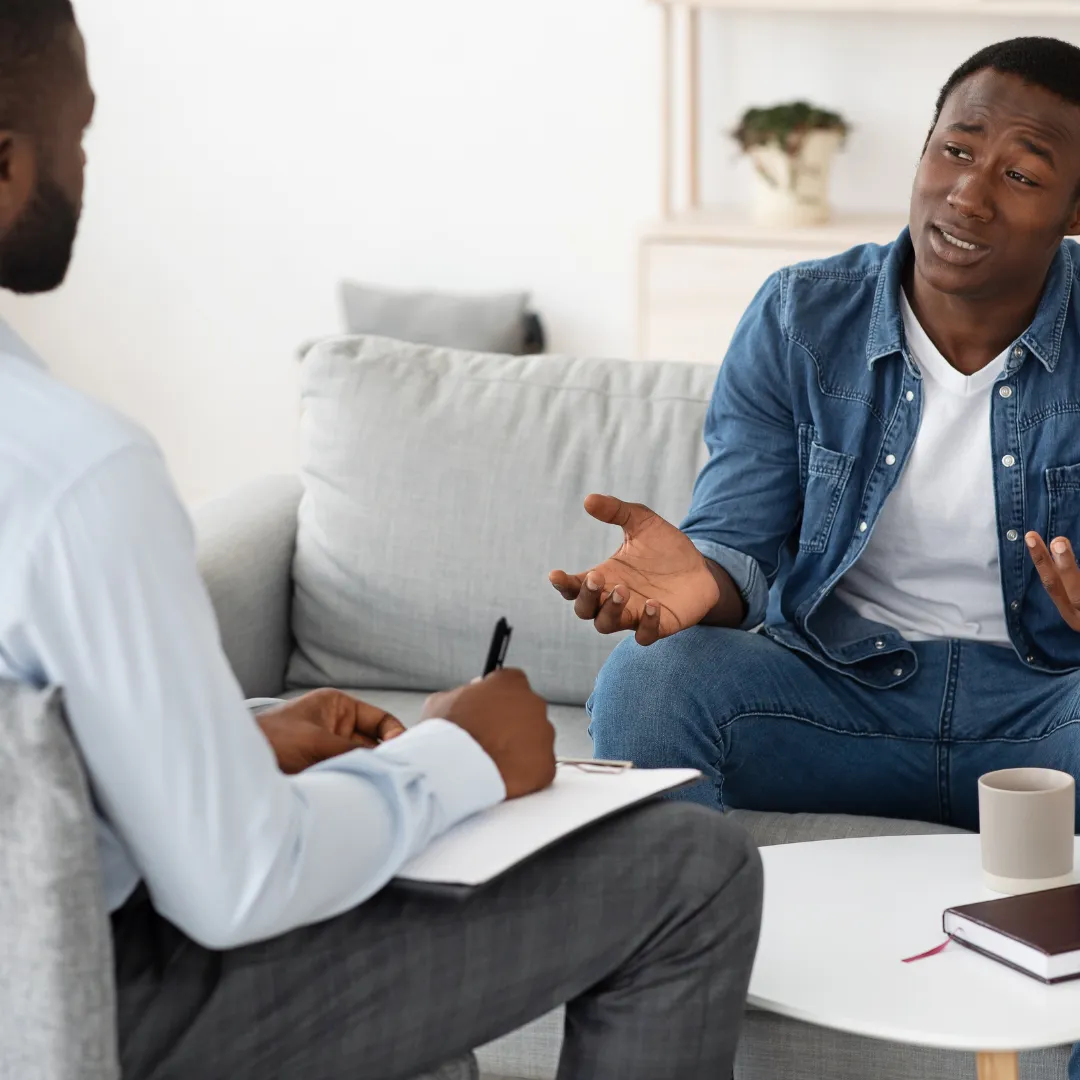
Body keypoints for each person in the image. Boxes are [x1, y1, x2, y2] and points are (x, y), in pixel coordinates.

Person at [0, 4, 763, 1078]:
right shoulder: (73, 474)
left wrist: (234, 748)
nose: (86, 167)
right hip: (91, 1014)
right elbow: (238, 884)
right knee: (694, 866)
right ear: (6, 160)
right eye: (77, 136)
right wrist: (459, 756)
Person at [552, 35, 1080, 835]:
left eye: (1020, 175)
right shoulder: (800, 316)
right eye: (955, 150)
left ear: (1076, 210)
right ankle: (681, 935)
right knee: (648, 679)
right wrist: (704, 579)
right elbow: (740, 539)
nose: (967, 196)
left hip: (1048, 711)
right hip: (839, 693)